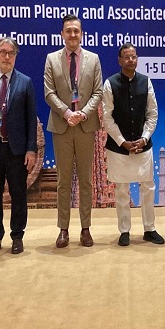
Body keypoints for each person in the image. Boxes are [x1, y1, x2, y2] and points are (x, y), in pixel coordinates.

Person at [44, 14, 103, 248]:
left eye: (76, 31)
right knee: (64, 181)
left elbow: (98, 92)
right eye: (68, 30)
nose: (72, 34)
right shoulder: (51, 59)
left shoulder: (93, 59)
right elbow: (49, 93)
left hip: (85, 126)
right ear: (62, 34)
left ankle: (86, 229)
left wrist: (83, 114)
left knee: (86, 181)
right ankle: (63, 229)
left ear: (82, 34)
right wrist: (67, 113)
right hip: (62, 126)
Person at [0, 37, 37, 255]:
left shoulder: (25, 82)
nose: (7, 57)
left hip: (16, 149)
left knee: (18, 194)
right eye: (3, 52)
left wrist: (31, 149)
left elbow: (31, 119)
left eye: (11, 53)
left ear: (16, 56)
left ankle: (17, 236)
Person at [103, 43, 164, 246]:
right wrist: (122, 142)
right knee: (121, 189)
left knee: (148, 187)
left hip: (142, 145)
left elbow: (152, 114)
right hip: (118, 147)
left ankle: (149, 229)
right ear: (119, 60)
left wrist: (144, 138)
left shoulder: (146, 82)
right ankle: (124, 231)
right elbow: (107, 117)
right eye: (127, 57)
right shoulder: (110, 84)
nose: (131, 60)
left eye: (134, 56)